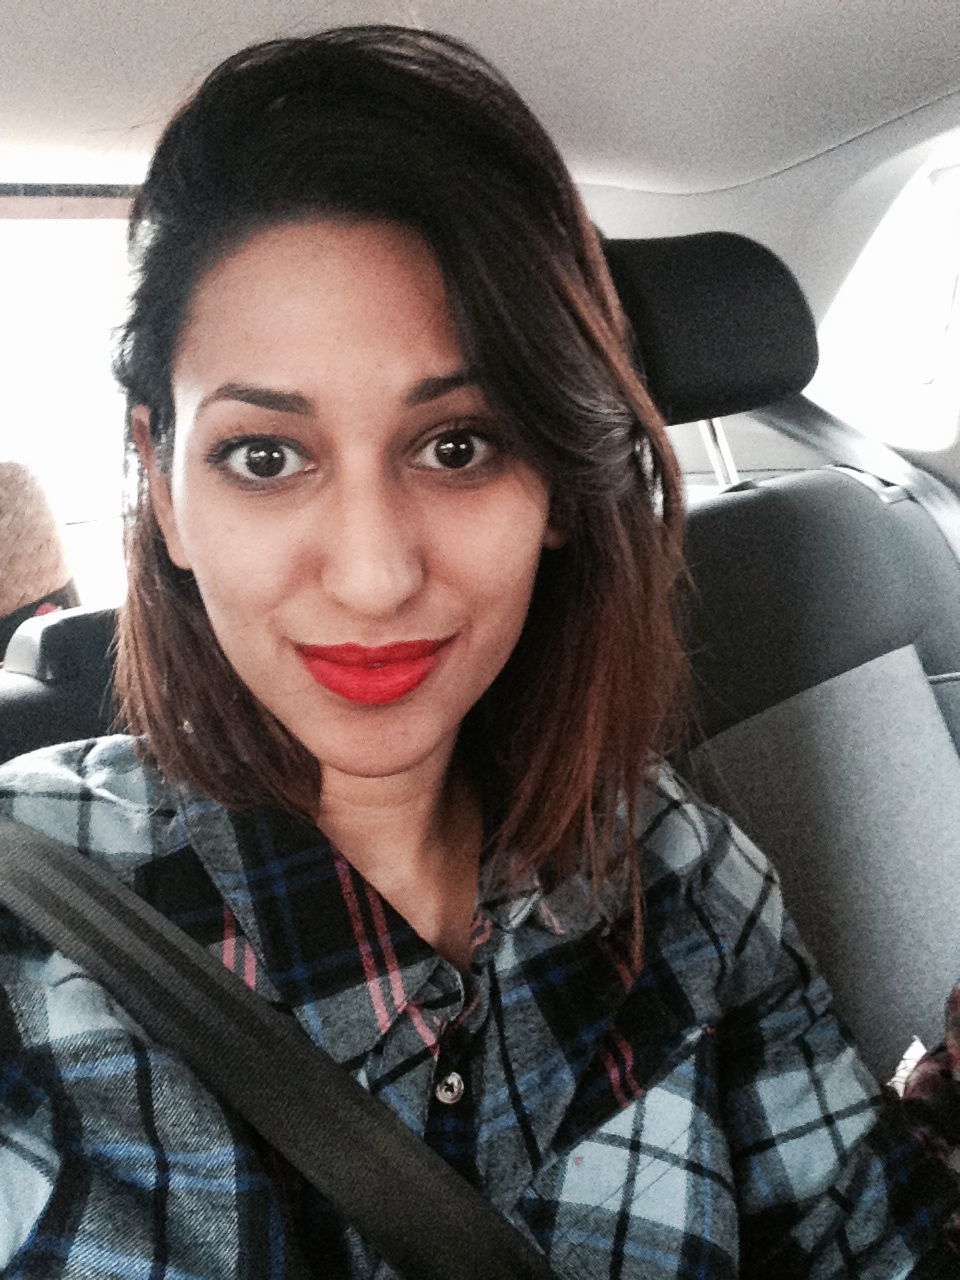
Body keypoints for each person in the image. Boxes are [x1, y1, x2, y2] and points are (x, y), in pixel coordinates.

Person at [0, 25, 958, 1279]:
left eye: (457, 445)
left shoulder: (684, 878)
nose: (374, 574)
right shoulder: (32, 935)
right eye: (265, 455)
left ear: (556, 483)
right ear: (165, 485)